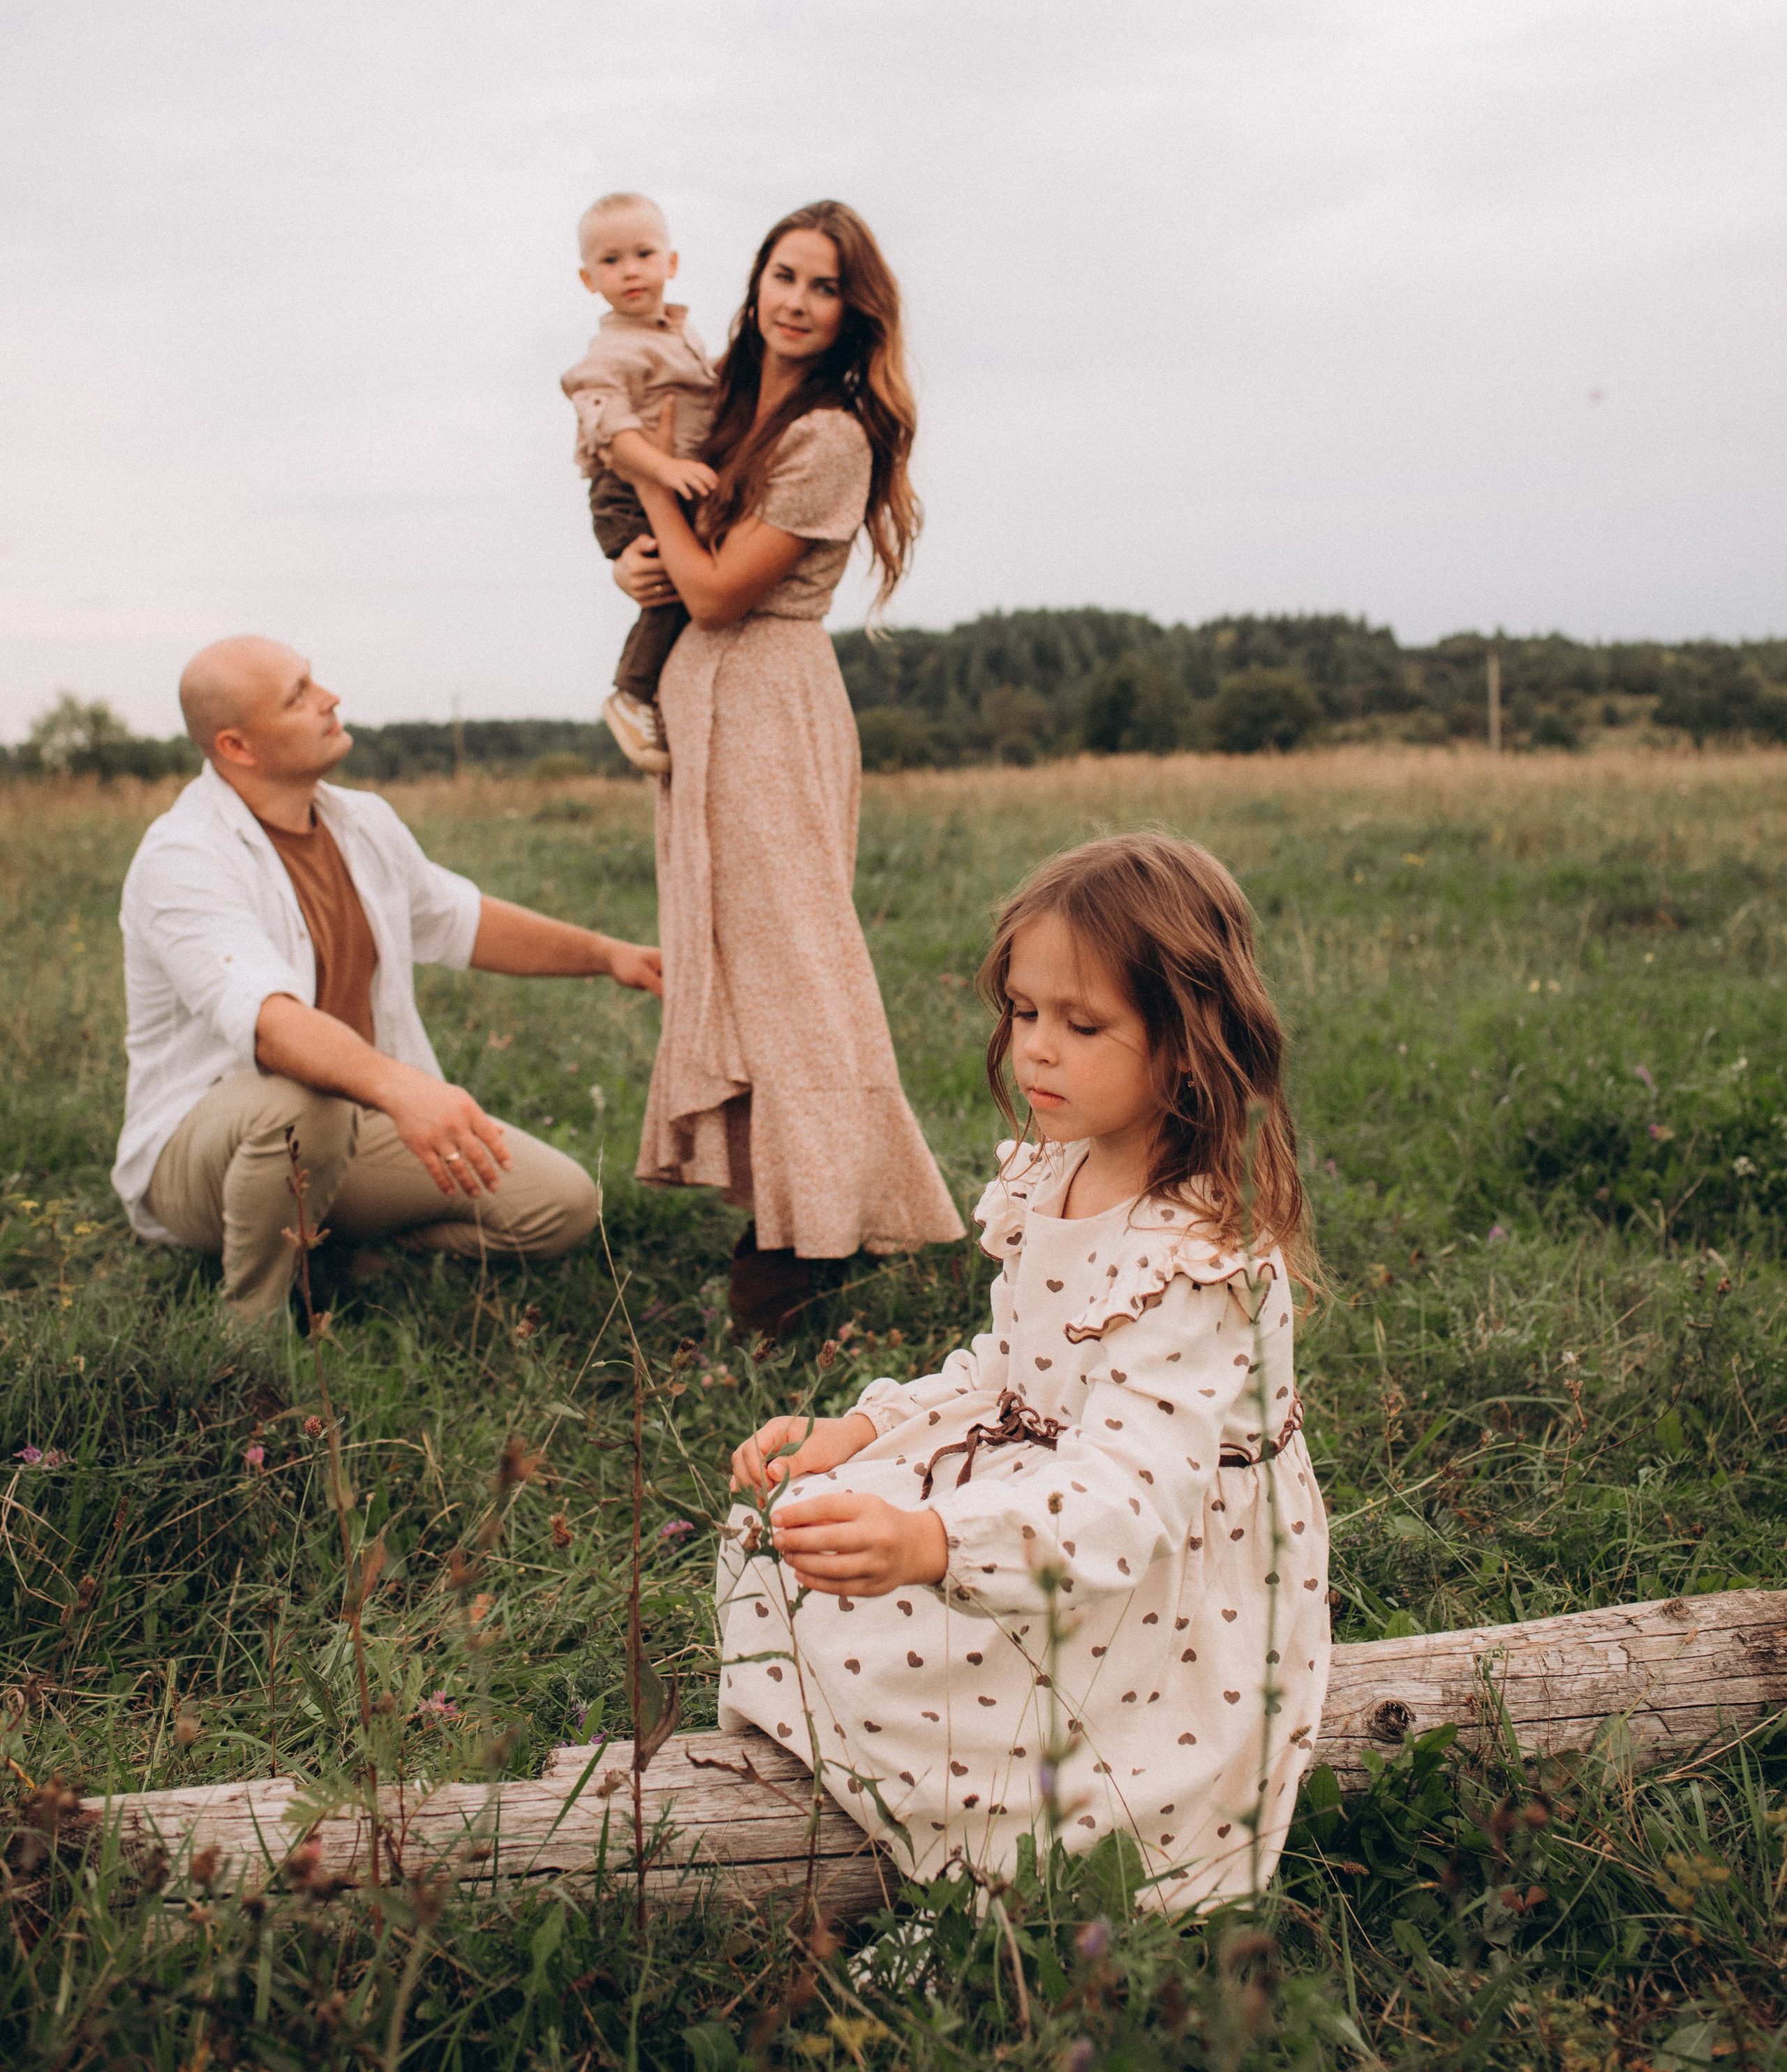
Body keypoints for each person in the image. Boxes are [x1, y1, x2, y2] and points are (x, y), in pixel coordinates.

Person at [716, 832, 1330, 1913]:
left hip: (1150, 1572)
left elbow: (1126, 1496)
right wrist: (856, 1435)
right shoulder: (1061, 1170)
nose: (1036, 1049)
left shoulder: (1195, 1259)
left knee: (926, 1659)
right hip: (1056, 1495)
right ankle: (885, 1822)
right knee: (791, 1531)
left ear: (1186, 1045)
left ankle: (975, 1892)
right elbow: (1011, 1369)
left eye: (1082, 1025)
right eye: (1024, 1012)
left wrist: (935, 1540)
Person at [611, 200, 963, 1333]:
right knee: (735, 967)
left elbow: (717, 589)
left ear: (853, 313)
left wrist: (660, 503)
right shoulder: (716, 401)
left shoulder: (832, 437)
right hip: (702, 702)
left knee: (799, 977)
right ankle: (785, 1219)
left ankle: (816, 1244)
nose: (797, 302)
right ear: (755, 278)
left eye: (823, 287)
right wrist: (635, 555)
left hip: (766, 701)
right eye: (784, 274)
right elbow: (672, 558)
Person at [113, 635, 662, 1322]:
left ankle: (339, 1249)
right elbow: (270, 1024)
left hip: (346, 1122)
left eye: (314, 681)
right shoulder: (185, 857)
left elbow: (461, 919)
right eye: (299, 695)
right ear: (237, 748)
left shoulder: (360, 821)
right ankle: (246, 1338)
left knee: (560, 1207)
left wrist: (610, 955)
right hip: (206, 1154)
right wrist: (405, 1090)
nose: (330, 698)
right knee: (300, 1104)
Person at [560, 191, 718, 776]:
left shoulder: (682, 335)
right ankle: (632, 693)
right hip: (625, 489)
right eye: (610, 260)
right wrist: (665, 470)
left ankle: (661, 692)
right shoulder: (612, 351)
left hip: (663, 482)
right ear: (587, 278)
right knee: (669, 583)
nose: (629, 270)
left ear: (670, 264)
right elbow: (610, 428)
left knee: (684, 580)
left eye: (643, 254)